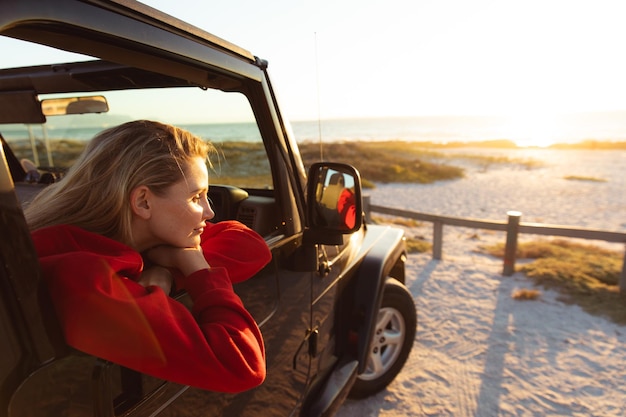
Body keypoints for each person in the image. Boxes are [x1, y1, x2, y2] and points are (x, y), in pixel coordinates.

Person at [24, 120, 272, 393]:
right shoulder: (88, 282)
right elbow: (242, 365)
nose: (209, 212)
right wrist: (198, 271)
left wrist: (169, 269)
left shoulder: (83, 242)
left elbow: (251, 246)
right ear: (143, 201)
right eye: (196, 197)